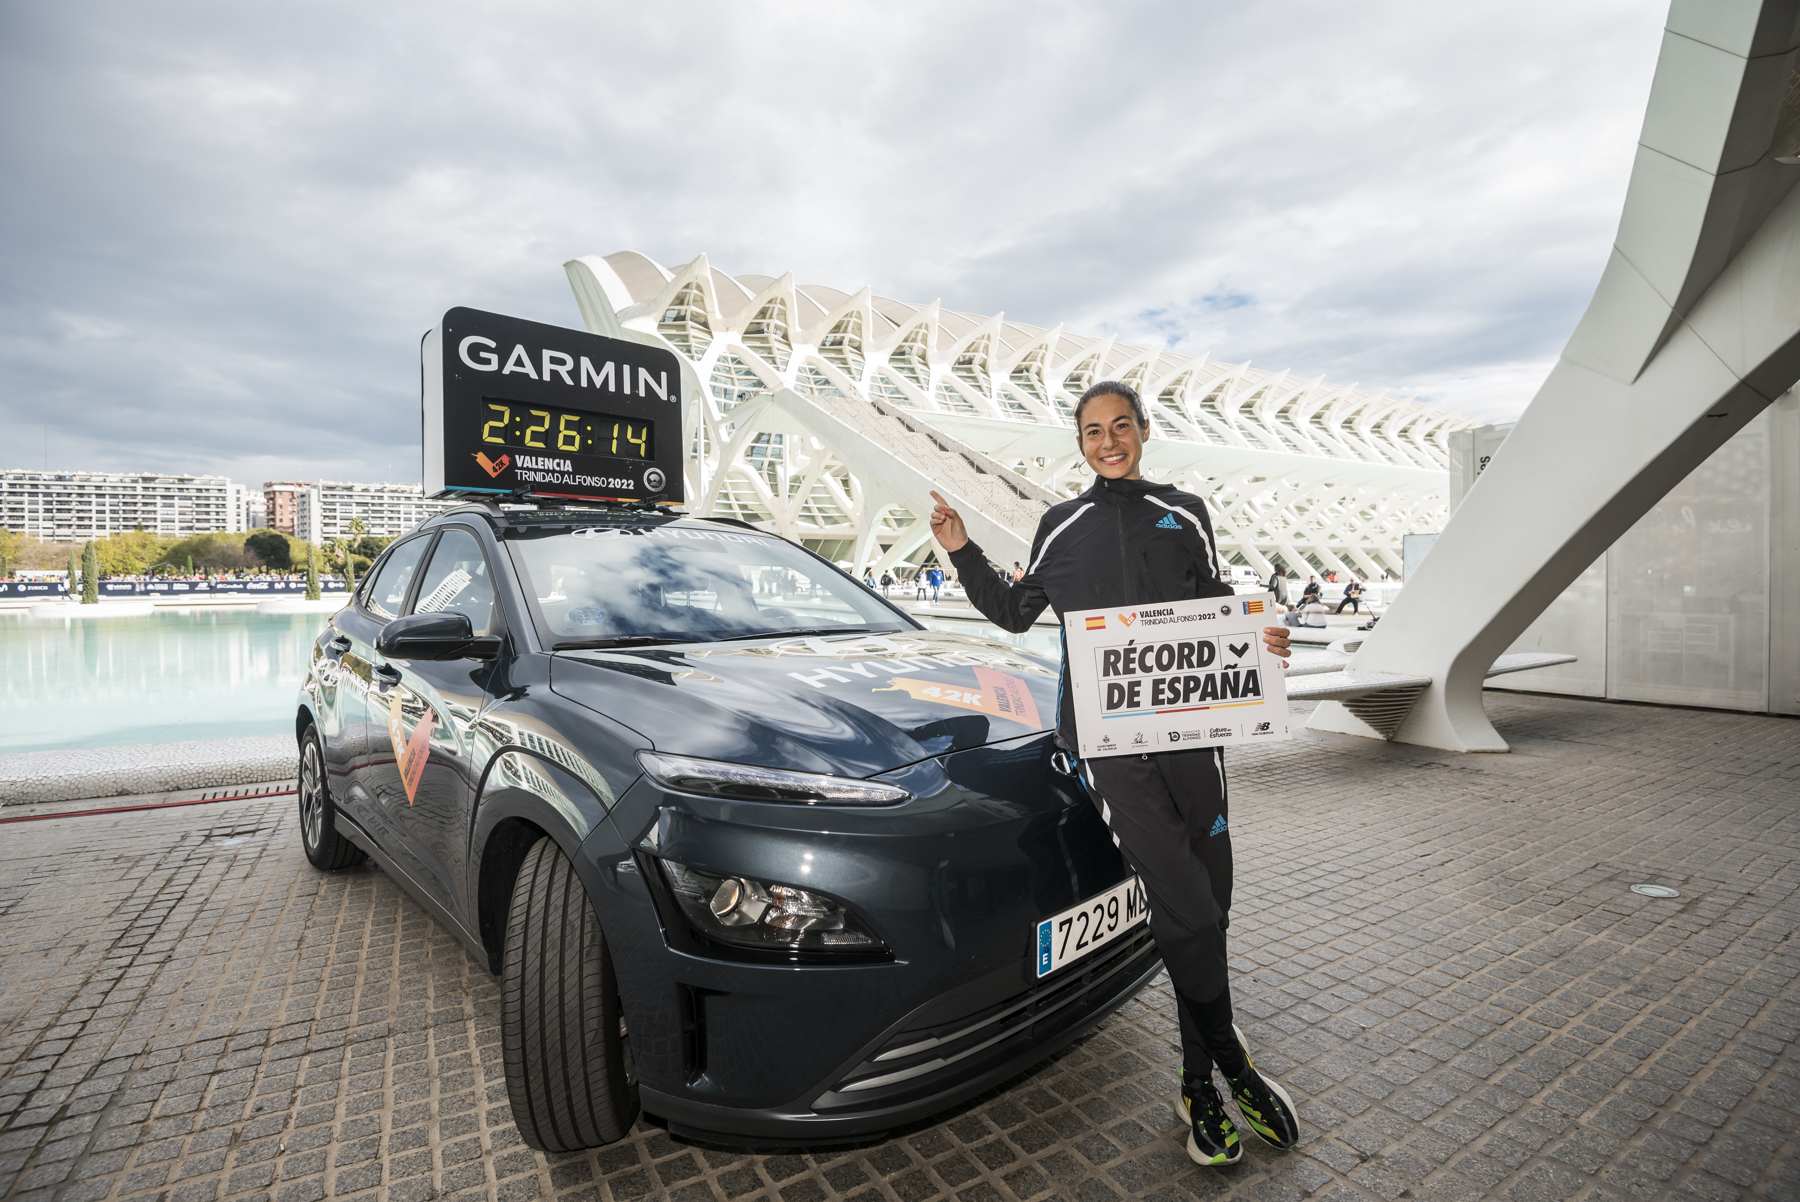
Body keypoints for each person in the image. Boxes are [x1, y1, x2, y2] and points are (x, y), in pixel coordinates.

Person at [928, 381, 1301, 1168]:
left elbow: (1218, 607)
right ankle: (1231, 1063)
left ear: (1143, 431)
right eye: (1093, 431)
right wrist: (962, 549)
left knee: (1211, 910)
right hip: (1112, 748)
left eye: (1120, 426)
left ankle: (1195, 1084)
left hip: (1194, 738)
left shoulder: (1185, 512)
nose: (1108, 441)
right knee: (1185, 907)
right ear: (1080, 443)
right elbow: (1013, 612)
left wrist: (1264, 640)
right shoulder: (1061, 525)